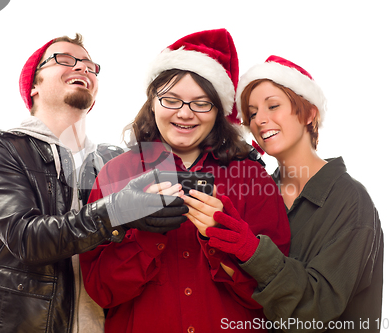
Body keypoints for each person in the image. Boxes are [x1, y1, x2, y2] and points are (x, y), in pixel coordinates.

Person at [0, 33, 188, 333]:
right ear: (33, 85)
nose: (82, 68)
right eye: (65, 59)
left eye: (90, 65)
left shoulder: (115, 162)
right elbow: (25, 238)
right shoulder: (5, 149)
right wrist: (117, 210)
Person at [79, 29, 291, 333]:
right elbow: (101, 290)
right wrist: (148, 234)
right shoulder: (115, 174)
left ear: (218, 112)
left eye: (201, 103)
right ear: (152, 103)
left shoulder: (252, 176)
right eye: (171, 100)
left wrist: (224, 238)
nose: (185, 114)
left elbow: (275, 295)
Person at [206, 55, 384, 332]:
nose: (260, 120)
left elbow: (315, 309)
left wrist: (254, 253)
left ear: (309, 113)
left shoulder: (351, 201)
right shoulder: (260, 192)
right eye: (252, 114)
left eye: (273, 106)